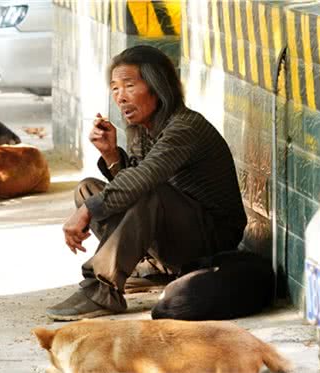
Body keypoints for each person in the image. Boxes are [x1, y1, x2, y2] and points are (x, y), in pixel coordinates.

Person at [46, 45, 248, 321]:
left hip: (210, 241)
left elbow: (143, 183)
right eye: (115, 88)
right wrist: (111, 155)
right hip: (175, 235)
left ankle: (104, 289)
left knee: (140, 193)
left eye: (129, 86)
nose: (120, 97)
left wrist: (88, 210)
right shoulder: (142, 128)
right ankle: (153, 267)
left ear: (158, 88)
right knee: (88, 188)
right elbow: (133, 183)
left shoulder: (185, 127)